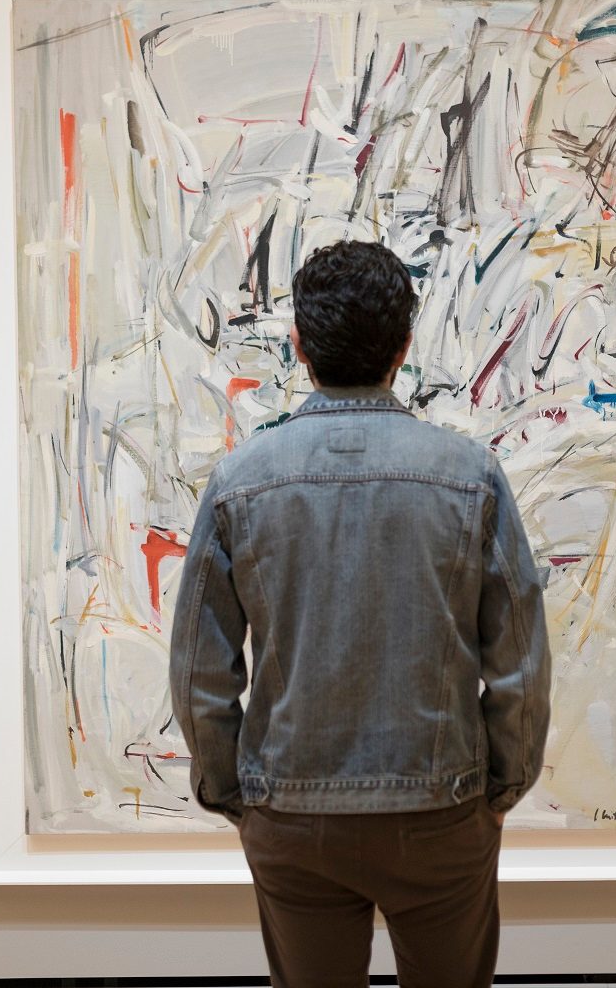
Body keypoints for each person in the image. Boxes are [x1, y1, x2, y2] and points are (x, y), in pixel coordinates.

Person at [169, 239, 551, 988]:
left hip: (292, 816)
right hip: (440, 813)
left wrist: (233, 791)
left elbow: (199, 670)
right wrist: (500, 790)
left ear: (300, 345)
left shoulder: (240, 481)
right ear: (404, 348)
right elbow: (520, 662)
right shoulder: (470, 477)